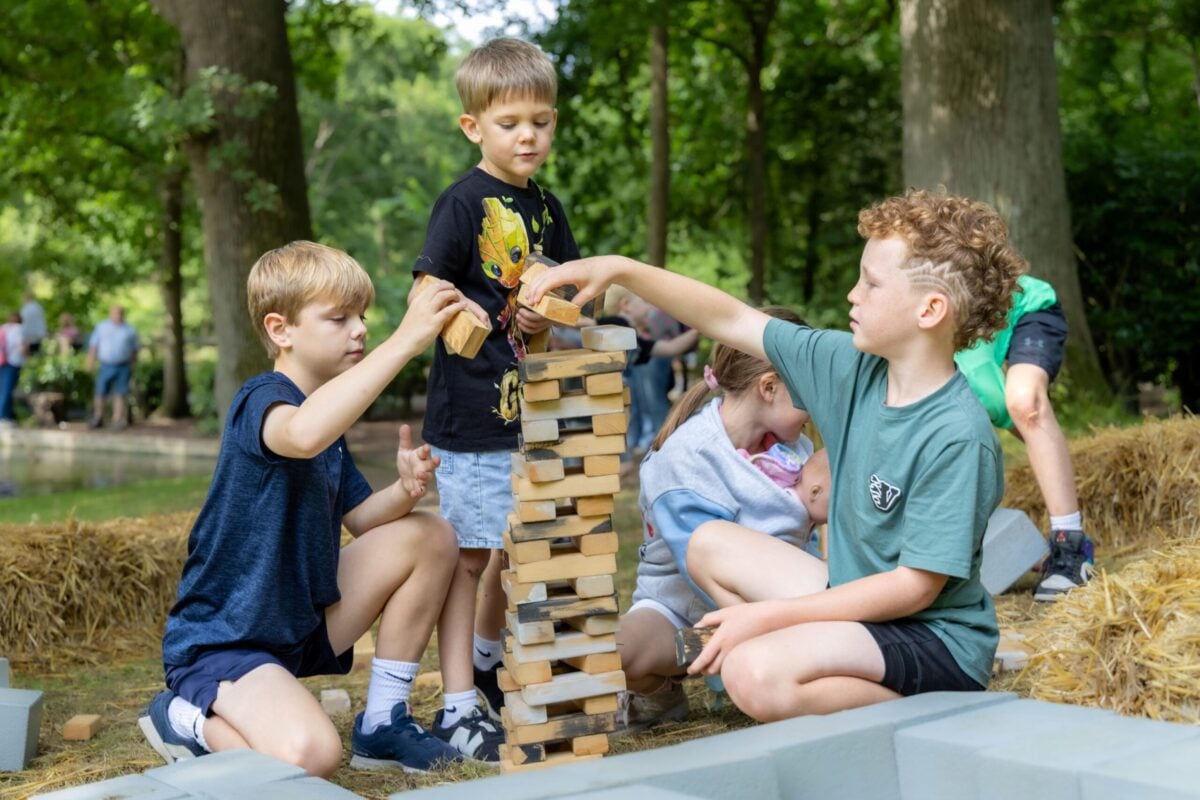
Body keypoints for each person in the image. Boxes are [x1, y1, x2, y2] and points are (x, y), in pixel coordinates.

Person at [530, 189, 1022, 721]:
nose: (853, 295)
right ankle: (793, 660)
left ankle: (941, 709)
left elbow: (913, 589)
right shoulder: (851, 367)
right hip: (855, 601)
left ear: (930, 310)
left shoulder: (957, 436)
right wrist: (622, 269)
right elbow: (732, 319)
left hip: (932, 638)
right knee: (707, 544)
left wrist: (768, 619)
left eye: (872, 284)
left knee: (752, 673)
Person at [139, 241, 471, 776]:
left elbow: (362, 519)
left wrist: (404, 492)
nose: (359, 329)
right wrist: (406, 341)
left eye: (362, 316)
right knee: (312, 757)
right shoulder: (262, 401)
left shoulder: (328, 428)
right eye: (338, 318)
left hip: (299, 624)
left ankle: (384, 718)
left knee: (430, 534)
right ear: (280, 330)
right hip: (228, 642)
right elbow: (302, 433)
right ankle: (184, 719)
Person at [408, 36, 579, 760]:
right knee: (469, 559)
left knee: (519, 549)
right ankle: (454, 705)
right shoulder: (462, 203)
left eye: (541, 121)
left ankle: (484, 663)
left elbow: (570, 289)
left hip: (531, 413)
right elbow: (424, 291)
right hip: (471, 421)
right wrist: (460, 314)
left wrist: (550, 311)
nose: (528, 135)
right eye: (510, 123)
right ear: (473, 126)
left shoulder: (547, 206)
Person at [615, 310, 829, 732]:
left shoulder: (798, 452)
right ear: (768, 387)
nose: (814, 407)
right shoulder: (686, 458)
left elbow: (805, 544)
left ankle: (767, 664)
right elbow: (699, 568)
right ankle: (660, 693)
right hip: (681, 617)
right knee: (620, 652)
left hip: (773, 613)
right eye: (807, 392)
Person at [954, 275, 1093, 601]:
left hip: (1026, 308)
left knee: (1024, 402)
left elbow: (1018, 422)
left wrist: (1048, 448)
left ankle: (1071, 547)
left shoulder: (975, 379)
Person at [86, 304, 140, 430]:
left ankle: (117, 419)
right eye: (115, 313)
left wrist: (133, 364)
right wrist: (90, 362)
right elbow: (94, 346)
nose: (118, 315)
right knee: (100, 392)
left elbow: (135, 349)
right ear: (110, 314)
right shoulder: (101, 327)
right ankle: (98, 417)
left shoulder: (130, 330)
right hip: (105, 364)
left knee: (120, 393)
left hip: (123, 365)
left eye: (120, 313)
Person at [0, 312, 27, 427]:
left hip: (2, 361)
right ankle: (3, 418)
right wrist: (28, 357)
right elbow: (21, 347)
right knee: (7, 391)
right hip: (13, 362)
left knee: (3, 390)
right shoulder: (19, 329)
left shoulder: (4, 327)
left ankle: (9, 416)